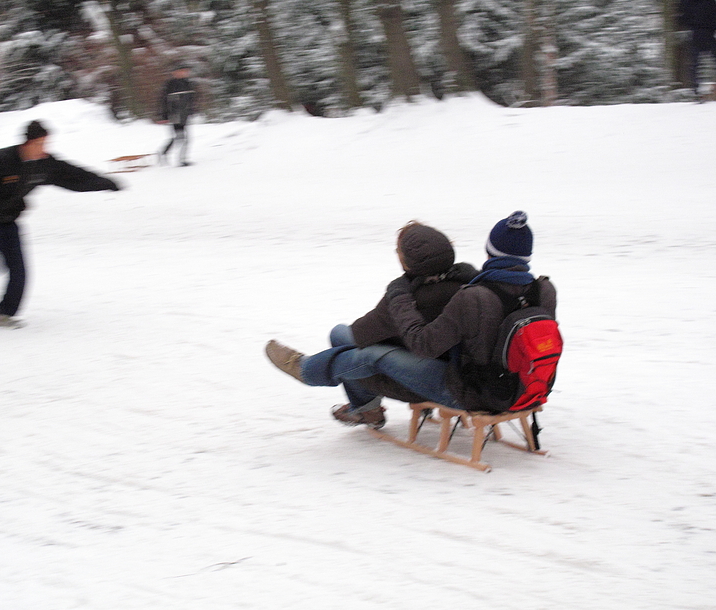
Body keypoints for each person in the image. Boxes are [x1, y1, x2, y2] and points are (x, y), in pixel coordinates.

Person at [265, 212, 557, 429]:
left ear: (490, 251)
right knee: (357, 345)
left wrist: (399, 297)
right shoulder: (543, 289)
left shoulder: (474, 295)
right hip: (526, 388)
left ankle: (307, 370)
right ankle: (362, 406)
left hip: (471, 393)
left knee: (365, 354)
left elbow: (423, 345)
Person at [266, 221, 479, 428]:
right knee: (348, 336)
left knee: (348, 341)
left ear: (407, 261)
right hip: (450, 362)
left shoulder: (409, 296)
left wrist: (398, 294)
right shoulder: (469, 281)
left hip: (439, 382)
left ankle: (350, 398)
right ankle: (364, 407)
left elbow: (361, 335)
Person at [0, 120, 121, 328]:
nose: (43, 148)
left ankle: (3, 315)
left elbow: (72, 176)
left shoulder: (43, 165)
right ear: (26, 143)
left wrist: (104, 183)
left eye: (45, 143)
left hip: (9, 222)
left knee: (19, 270)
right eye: (39, 144)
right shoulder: (0, 160)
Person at [678, 0, 716, 99]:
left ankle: (695, 89)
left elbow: (682, 18)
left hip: (695, 33)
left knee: (695, 63)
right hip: (709, 33)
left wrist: (690, 26)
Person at [158, 65, 196, 166]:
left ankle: (164, 153)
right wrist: (164, 116)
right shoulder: (170, 84)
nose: (184, 73)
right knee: (181, 137)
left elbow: (191, 99)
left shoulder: (188, 83)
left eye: (186, 71)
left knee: (179, 137)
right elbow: (163, 100)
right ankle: (181, 160)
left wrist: (192, 110)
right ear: (174, 73)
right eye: (181, 71)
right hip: (174, 114)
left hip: (184, 114)